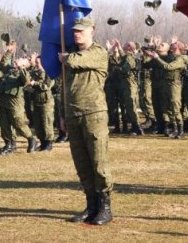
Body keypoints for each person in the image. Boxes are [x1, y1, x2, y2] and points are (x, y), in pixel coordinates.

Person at [59, 17, 113, 225]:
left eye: (81, 30)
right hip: (73, 114)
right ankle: (91, 205)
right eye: (75, 30)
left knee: (99, 162)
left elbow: (75, 60)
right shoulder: (71, 53)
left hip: (93, 113)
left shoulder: (98, 53)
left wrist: (65, 57)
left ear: (93, 30)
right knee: (82, 164)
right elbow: (65, 89)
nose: (76, 33)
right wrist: (63, 114)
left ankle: (105, 207)